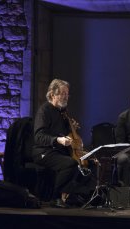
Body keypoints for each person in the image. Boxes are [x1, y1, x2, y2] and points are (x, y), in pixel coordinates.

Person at [33, 79, 89, 208]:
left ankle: (73, 195)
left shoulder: (62, 112)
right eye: (62, 94)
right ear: (52, 94)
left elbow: (62, 133)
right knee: (71, 163)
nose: (65, 97)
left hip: (58, 151)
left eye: (67, 94)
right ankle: (55, 197)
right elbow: (38, 136)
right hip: (44, 151)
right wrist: (57, 140)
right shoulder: (44, 110)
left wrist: (71, 128)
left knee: (87, 163)